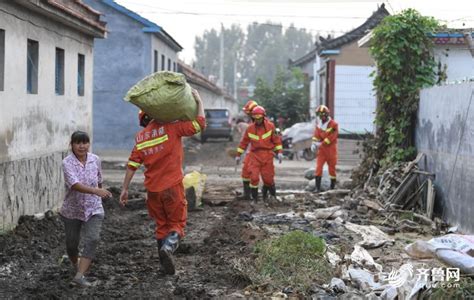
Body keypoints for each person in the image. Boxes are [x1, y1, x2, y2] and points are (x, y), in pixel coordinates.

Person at [119, 89, 206, 275]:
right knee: (177, 223)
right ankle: (169, 247)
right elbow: (199, 124)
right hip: (172, 186)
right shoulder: (171, 127)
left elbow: (132, 164)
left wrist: (124, 189)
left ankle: (163, 266)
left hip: (153, 190)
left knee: (161, 226)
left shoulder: (140, 138)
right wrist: (199, 101)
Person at [60, 131, 112, 287]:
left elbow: (99, 180)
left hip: (94, 208)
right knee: (71, 244)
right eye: (78, 143)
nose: (82, 146)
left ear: (89, 144)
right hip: (72, 210)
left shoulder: (95, 160)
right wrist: (96, 191)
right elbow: (74, 185)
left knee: (92, 239)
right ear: (72, 145)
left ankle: (79, 276)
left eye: (85, 142)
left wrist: (101, 195)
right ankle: (76, 266)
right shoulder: (67, 163)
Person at [235, 105, 283, 201]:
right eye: (255, 119)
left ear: (263, 117)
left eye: (259, 119)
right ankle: (255, 200)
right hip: (255, 156)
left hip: (267, 155)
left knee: (268, 179)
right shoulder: (250, 128)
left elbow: (276, 140)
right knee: (254, 177)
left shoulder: (270, 126)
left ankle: (271, 196)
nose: (258, 121)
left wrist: (280, 152)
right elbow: (244, 142)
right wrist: (238, 155)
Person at [310, 105, 338, 192]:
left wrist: (321, 144)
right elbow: (316, 136)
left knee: (332, 169)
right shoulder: (319, 125)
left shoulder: (333, 124)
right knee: (318, 168)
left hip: (331, 150)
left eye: (322, 115)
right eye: (319, 115)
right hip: (322, 151)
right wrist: (314, 144)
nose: (321, 117)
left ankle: (332, 188)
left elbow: (332, 137)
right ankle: (317, 188)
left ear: (326, 114)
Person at [236, 100, 258, 200]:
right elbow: (245, 141)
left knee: (255, 175)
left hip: (258, 153)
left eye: (248, 113)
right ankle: (247, 195)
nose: (246, 114)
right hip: (250, 152)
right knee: (245, 173)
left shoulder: (261, 124)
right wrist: (238, 154)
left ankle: (255, 196)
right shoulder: (251, 124)